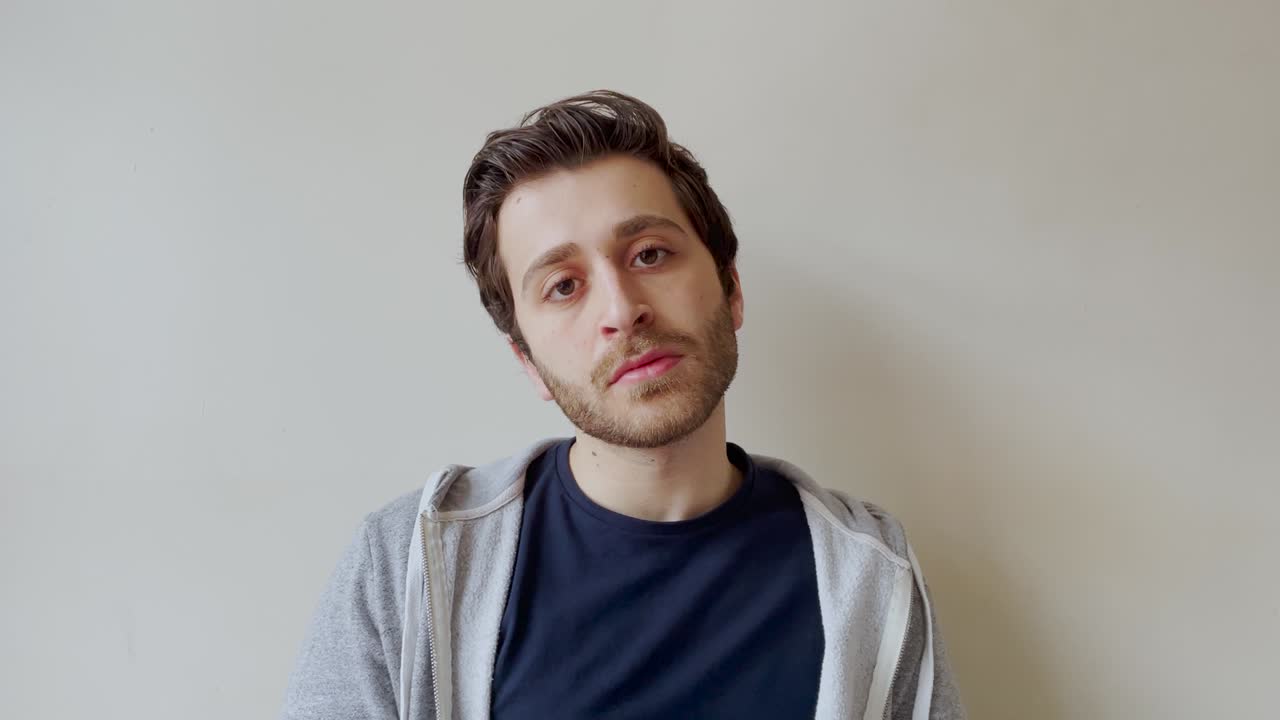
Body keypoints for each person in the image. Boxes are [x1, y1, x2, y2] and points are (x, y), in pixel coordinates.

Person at [281, 90, 965, 720]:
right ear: (529, 363)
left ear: (730, 289)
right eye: (563, 286)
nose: (622, 309)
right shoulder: (407, 567)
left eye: (649, 254)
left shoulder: (872, 575)